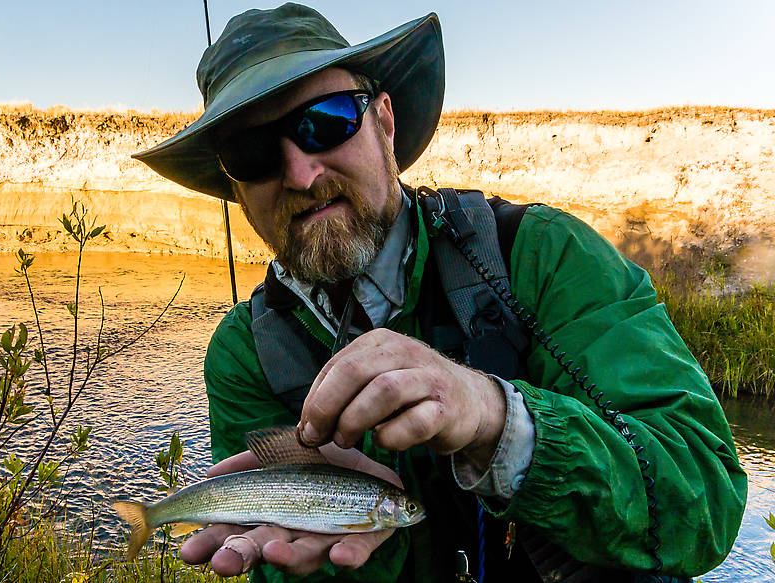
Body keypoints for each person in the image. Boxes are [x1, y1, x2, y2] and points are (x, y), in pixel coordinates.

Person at [133, 4, 747, 582]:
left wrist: (494, 420)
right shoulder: (245, 353)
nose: (300, 173)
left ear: (385, 123)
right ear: (234, 188)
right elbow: (271, 555)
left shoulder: (541, 256)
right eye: (252, 152)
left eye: (326, 123)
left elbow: (706, 496)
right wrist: (351, 550)